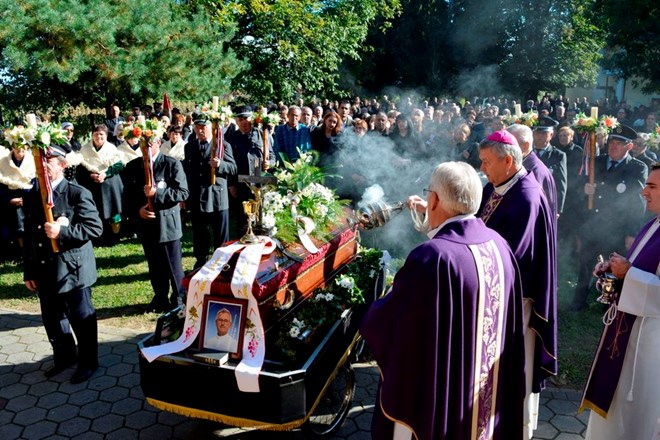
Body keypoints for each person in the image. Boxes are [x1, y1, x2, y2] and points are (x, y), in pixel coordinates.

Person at [361, 161, 525, 440]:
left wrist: (368, 308)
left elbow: (390, 324)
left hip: (443, 399)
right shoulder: (499, 245)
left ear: (434, 199)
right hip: (485, 393)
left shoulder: (432, 259)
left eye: (429, 194)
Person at [476, 130, 557, 440]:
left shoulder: (525, 197)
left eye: (486, 162)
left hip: (514, 304)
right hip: (498, 299)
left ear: (508, 160)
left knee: (508, 375)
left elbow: (509, 257)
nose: (482, 168)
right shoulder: (496, 186)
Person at [580, 163, 660, 440]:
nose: (643, 191)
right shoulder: (654, 224)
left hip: (651, 345)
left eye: (652, 186)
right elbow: (637, 270)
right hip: (628, 333)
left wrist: (630, 273)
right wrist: (614, 271)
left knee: (641, 415)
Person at [23, 144, 103, 384]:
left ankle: (89, 362)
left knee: (81, 318)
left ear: (62, 164)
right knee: (53, 319)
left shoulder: (76, 192)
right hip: (45, 267)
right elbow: (29, 235)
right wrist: (29, 270)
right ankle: (65, 357)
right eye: (40, 159)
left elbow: (94, 227)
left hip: (72, 269)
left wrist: (62, 231)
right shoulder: (34, 193)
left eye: (48, 159)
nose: (43, 164)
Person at [573, 125, 648, 310]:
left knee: (613, 268)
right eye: (611, 142)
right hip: (593, 224)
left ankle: (611, 303)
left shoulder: (637, 168)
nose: (613, 147)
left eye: (619, 144)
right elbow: (579, 190)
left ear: (629, 147)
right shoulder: (596, 162)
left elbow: (637, 203)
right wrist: (585, 191)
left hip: (617, 227)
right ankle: (578, 301)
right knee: (586, 264)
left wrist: (632, 232)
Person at [122, 133, 189, 312]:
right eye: (143, 145)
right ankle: (160, 298)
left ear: (159, 143)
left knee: (173, 266)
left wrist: (157, 195)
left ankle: (179, 299)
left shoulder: (171, 164)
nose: (146, 148)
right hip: (146, 225)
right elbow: (127, 198)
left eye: (150, 143)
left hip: (167, 225)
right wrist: (138, 211)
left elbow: (182, 193)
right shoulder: (132, 166)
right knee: (155, 265)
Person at [183, 114, 237, 269]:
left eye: (203, 127)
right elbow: (187, 170)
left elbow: (233, 168)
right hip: (198, 196)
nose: (200, 131)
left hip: (217, 197)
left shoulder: (222, 146)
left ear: (211, 128)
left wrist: (220, 165)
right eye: (197, 127)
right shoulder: (190, 146)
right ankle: (201, 260)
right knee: (199, 233)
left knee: (220, 234)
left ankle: (223, 262)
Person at [76, 124, 124, 245]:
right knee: (96, 211)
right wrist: (90, 175)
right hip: (92, 185)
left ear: (106, 135)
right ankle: (98, 237)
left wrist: (105, 174)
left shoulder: (112, 148)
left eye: (101, 134)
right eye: (96, 134)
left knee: (113, 211)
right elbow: (81, 168)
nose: (98, 136)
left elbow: (119, 165)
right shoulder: (85, 149)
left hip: (110, 184)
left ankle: (114, 237)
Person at [507, 124, 558, 219]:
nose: (505, 149)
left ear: (525, 146)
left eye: (510, 145)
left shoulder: (534, 170)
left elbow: (530, 210)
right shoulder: (521, 163)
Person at [532, 116, 567, 216]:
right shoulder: (526, 153)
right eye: (537, 132)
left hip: (547, 203)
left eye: (544, 133)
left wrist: (557, 209)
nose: (540, 136)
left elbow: (561, 184)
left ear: (551, 135)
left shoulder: (559, 155)